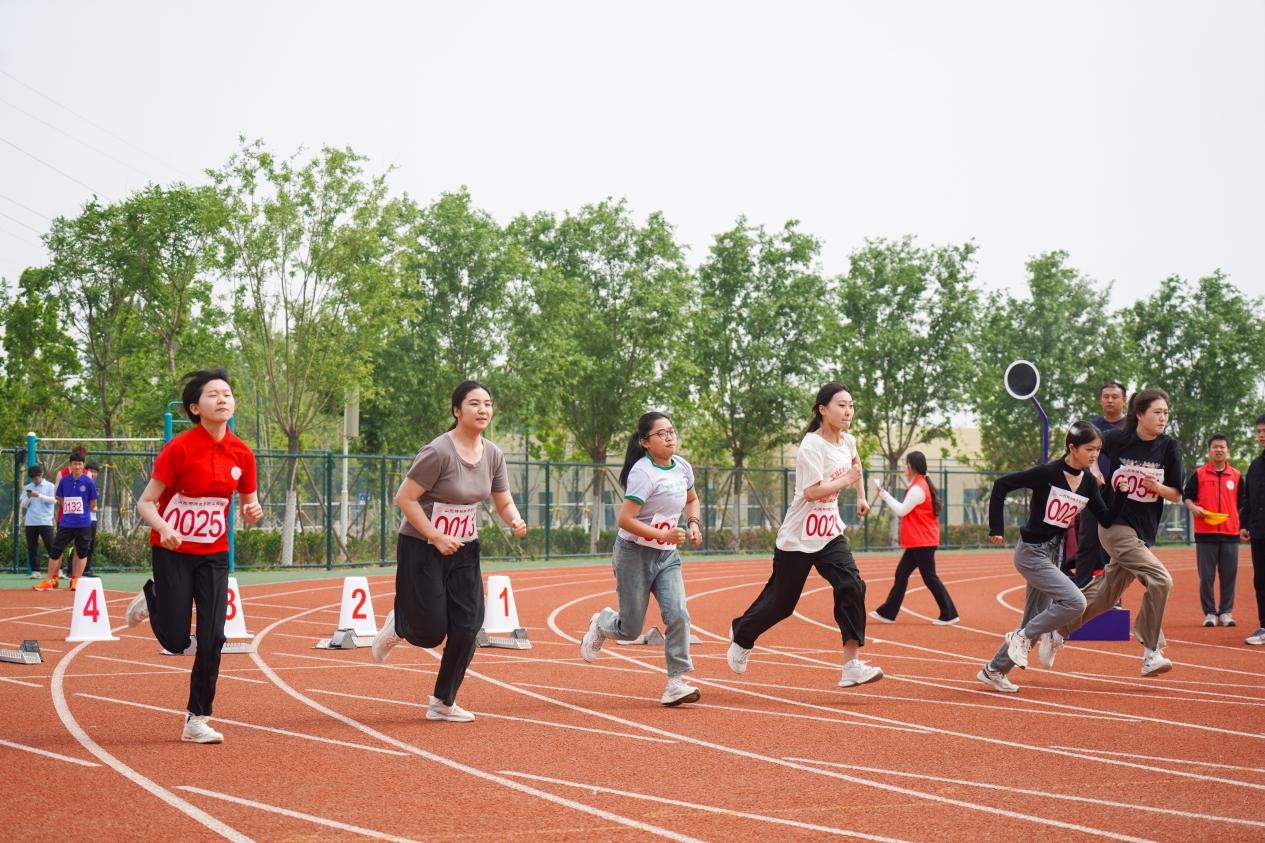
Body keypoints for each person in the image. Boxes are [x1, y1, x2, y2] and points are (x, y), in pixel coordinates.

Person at [371, 380, 528, 723]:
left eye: (487, 403)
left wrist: (515, 520)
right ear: (457, 410)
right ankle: (400, 623)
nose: (483, 409)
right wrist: (435, 535)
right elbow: (405, 498)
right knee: (429, 632)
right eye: (474, 403)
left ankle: (443, 701)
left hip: (464, 547)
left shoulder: (493, 454)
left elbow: (503, 500)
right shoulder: (438, 452)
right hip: (421, 546)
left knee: (468, 626)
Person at [124, 368, 263, 744]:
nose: (222, 399)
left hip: (214, 554)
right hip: (173, 551)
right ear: (195, 407)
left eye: (227, 394)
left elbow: (249, 504)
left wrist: (253, 511)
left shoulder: (242, 453)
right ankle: (153, 598)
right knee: (174, 640)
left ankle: (197, 718)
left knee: (213, 637)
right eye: (213, 394)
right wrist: (165, 528)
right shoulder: (180, 449)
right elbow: (146, 502)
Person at [727, 382, 883, 688]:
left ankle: (851, 665)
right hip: (799, 535)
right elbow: (812, 492)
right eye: (841, 405)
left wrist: (861, 495)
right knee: (782, 603)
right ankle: (742, 634)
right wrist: (847, 481)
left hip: (829, 531)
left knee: (852, 584)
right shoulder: (811, 446)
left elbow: (856, 464)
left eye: (851, 405)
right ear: (823, 409)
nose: (848, 411)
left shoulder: (848, 441)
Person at [977, 422, 1127, 692]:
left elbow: (1105, 518)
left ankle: (994, 670)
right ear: (1072, 448)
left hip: (1052, 554)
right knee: (1075, 601)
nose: (1095, 455)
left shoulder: (1088, 483)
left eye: (1098, 450)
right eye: (1089, 449)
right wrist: (996, 527)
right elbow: (1001, 485)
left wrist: (1122, 495)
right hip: (1031, 552)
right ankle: (1020, 637)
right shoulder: (1047, 473)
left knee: (1035, 619)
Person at [1056, 389, 1184, 677]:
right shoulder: (1117, 439)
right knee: (1161, 579)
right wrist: (1094, 470)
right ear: (1140, 415)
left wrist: (1157, 488)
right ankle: (1151, 651)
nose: (1163, 418)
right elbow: (1087, 447)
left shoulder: (1169, 448)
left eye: (1166, 412)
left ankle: (1057, 629)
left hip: (1143, 532)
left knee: (1106, 593)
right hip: (1114, 524)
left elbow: (1176, 494)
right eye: (1157, 412)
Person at [579, 412, 704, 706]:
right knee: (631, 629)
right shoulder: (643, 473)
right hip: (633, 555)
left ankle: (676, 682)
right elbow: (625, 520)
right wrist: (663, 534)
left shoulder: (682, 467)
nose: (670, 437)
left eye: (672, 431)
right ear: (645, 442)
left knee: (678, 614)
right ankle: (602, 623)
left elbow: (691, 499)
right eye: (661, 433)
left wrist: (693, 524)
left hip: (667, 556)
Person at [868, 450, 959, 625]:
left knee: (929, 577)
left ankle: (949, 614)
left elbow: (902, 511)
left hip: (923, 541)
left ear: (911, 466)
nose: (904, 467)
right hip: (919, 541)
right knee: (902, 574)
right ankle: (887, 613)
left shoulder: (918, 488)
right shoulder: (920, 484)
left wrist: (884, 495)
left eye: (905, 464)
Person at [1065, 382, 1128, 587]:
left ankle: (1113, 594)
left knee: (1115, 545)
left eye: (1115, 397)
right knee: (1087, 541)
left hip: (1121, 494)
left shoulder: (1131, 428)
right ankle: (1081, 591)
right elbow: (1074, 456)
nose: (1110, 400)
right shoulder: (1090, 428)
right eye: (1106, 396)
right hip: (1093, 492)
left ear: (1124, 400)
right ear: (1100, 400)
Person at [1183, 434, 1242, 627]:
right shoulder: (1199, 474)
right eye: (1215, 447)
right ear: (1209, 451)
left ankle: (1225, 612)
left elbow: (1243, 504)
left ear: (1228, 451)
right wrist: (1194, 508)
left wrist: (1240, 523)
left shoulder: (1237, 476)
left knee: (1229, 576)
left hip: (1230, 533)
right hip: (1205, 533)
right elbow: (1187, 497)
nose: (1219, 450)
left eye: (1222, 447)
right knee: (1206, 577)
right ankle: (1209, 613)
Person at [34, 446, 97, 591]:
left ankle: (76, 580)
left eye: (80, 464)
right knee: (55, 551)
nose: (77, 467)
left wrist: (82, 512)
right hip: (66, 523)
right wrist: (70, 510)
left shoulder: (89, 482)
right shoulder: (64, 480)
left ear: (83, 465)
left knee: (82, 552)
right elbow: (59, 498)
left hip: (83, 523)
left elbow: (93, 503)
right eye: (75, 464)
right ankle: (50, 580)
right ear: (70, 465)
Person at [1239, 415, 1265, 646]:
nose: (1261, 435)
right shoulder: (1255, 466)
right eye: (1258, 431)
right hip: (1259, 533)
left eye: (1264, 431)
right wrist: (1244, 525)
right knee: (1261, 581)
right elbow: (1248, 499)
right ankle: (1264, 626)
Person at [19, 465, 56, 579]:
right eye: (33, 478)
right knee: (32, 547)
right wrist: (29, 497)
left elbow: (54, 500)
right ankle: (36, 571)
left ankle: (58, 569)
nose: (35, 480)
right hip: (31, 521)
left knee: (51, 546)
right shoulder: (28, 487)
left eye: (36, 478)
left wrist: (38, 495)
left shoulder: (50, 486)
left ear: (41, 475)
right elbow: (23, 505)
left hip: (45, 521)